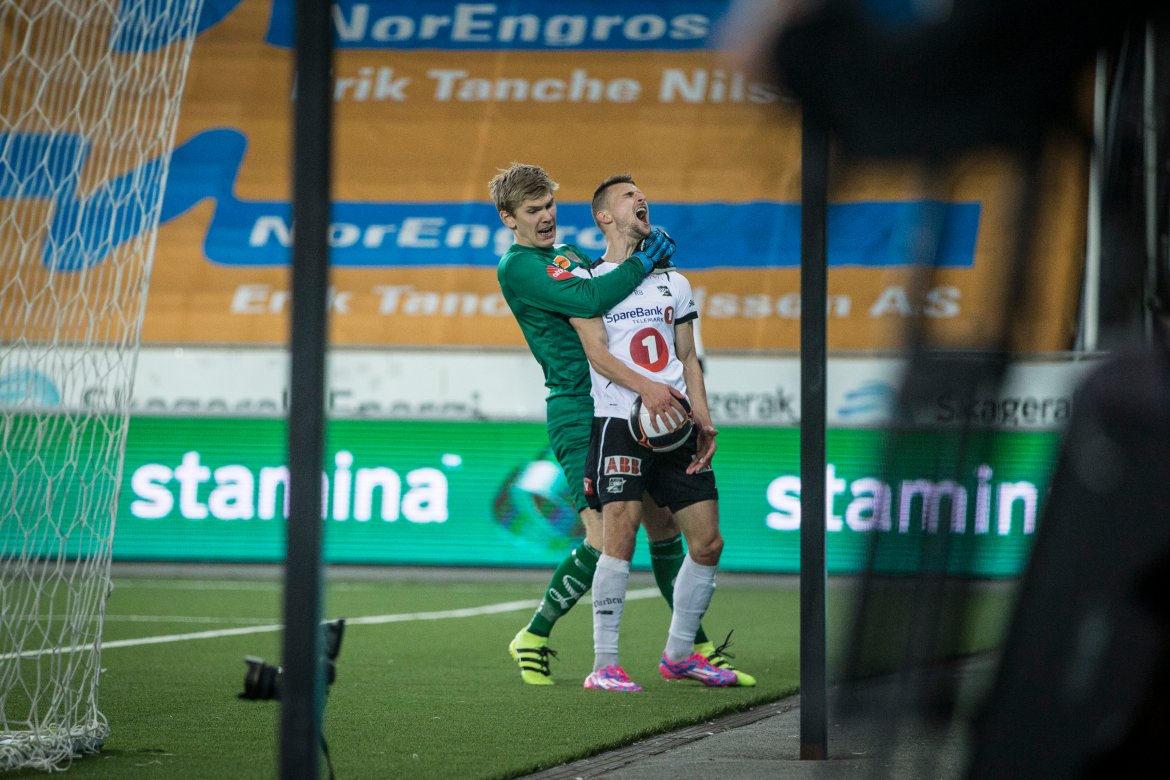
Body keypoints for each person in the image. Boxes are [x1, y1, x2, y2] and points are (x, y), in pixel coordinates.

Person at [491, 163, 753, 687]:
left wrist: (645, 265)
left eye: (549, 205)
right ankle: (535, 635)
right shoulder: (518, 266)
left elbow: (611, 292)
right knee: (603, 536)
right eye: (532, 210)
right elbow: (591, 300)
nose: (546, 217)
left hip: (624, 405)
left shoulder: (568, 256)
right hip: (578, 410)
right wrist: (643, 262)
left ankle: (692, 648)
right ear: (509, 218)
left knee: (664, 529)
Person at [571, 174, 740, 691]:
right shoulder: (586, 281)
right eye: (628, 195)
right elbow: (597, 355)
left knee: (708, 543)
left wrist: (703, 419)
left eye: (642, 193)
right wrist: (649, 390)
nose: (641, 198)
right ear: (604, 216)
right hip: (619, 422)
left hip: (677, 425)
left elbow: (688, 357)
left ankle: (679, 655)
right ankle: (604, 664)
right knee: (619, 538)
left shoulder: (675, 282)